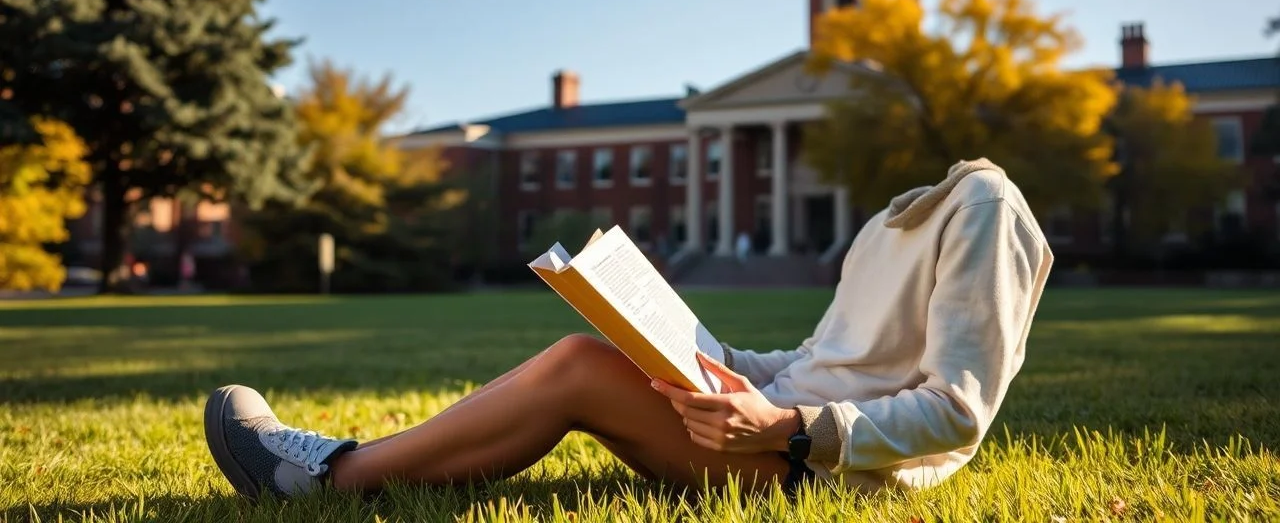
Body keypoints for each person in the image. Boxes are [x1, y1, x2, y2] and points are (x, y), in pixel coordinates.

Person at [203, 158, 1052, 500]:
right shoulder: (892, 223)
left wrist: (787, 425)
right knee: (598, 354)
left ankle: (325, 479)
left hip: (817, 470)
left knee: (579, 366)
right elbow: (818, 359)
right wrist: (702, 351)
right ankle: (357, 462)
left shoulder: (985, 210)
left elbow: (956, 412)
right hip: (771, 431)